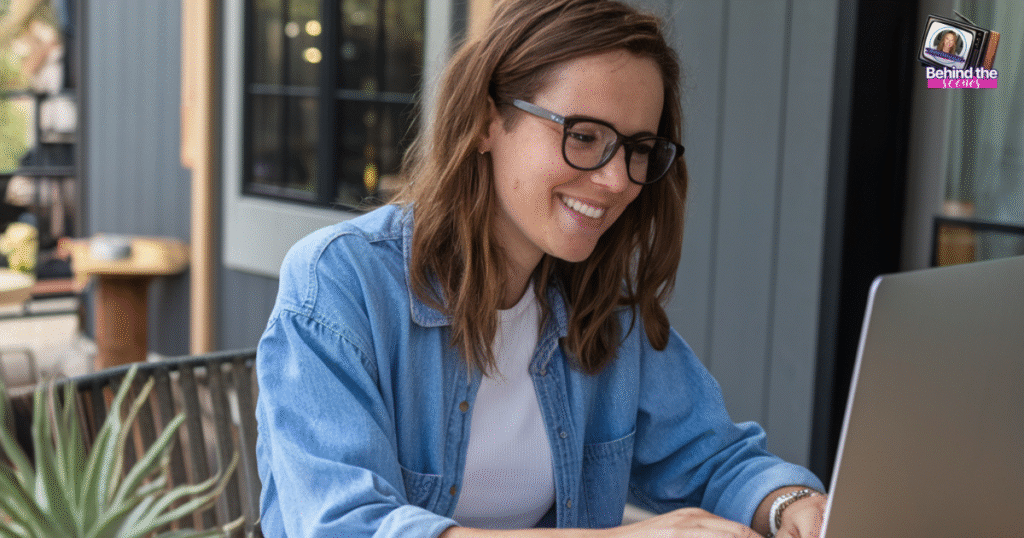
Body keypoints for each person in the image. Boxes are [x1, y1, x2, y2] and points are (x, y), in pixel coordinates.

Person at [255, 0, 828, 536]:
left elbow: (712, 458)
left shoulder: (598, 306)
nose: (617, 180)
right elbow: (349, 526)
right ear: (485, 122)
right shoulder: (340, 282)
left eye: (637, 148)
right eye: (583, 136)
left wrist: (789, 506)